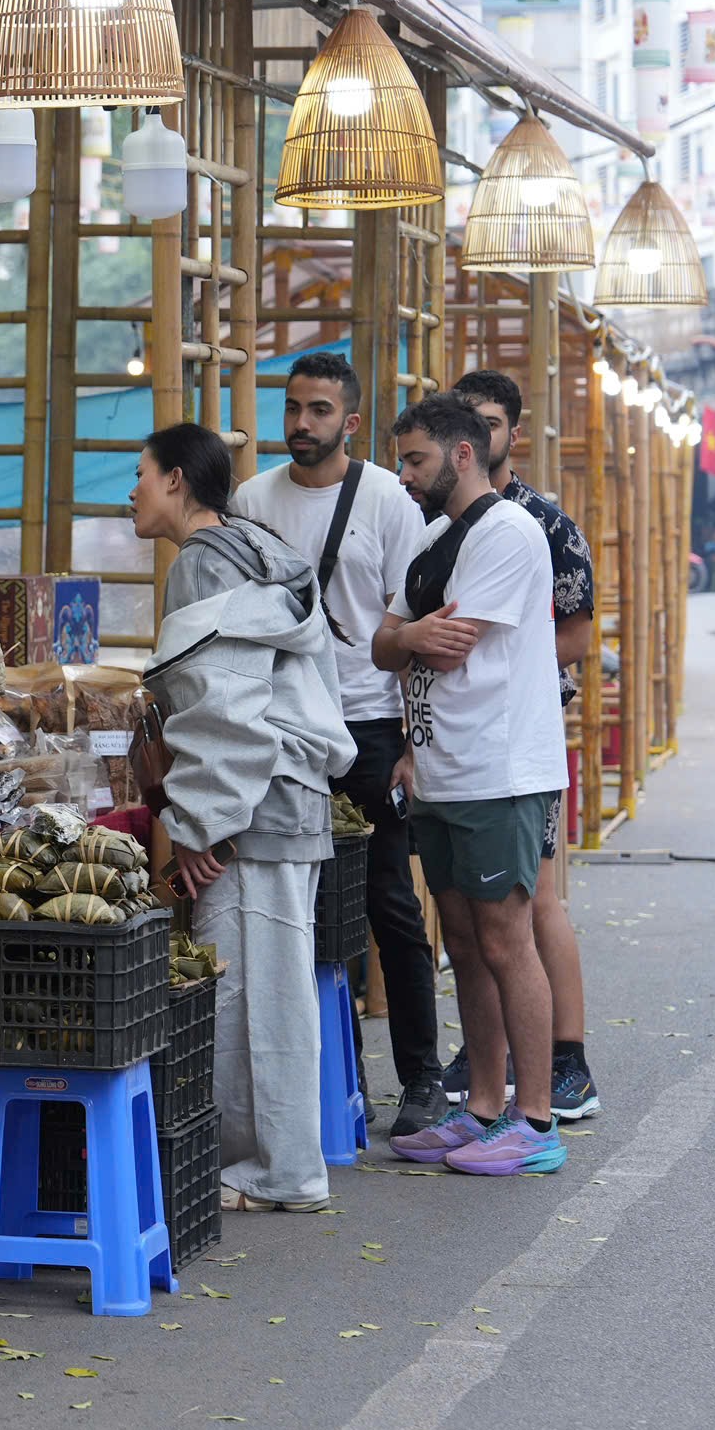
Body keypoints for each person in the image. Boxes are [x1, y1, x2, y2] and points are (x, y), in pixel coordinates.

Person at [133, 422, 356, 1211]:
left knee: (254, 994)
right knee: (275, 988)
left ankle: (281, 1171)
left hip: (253, 804)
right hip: (288, 791)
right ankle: (276, 1163)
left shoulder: (201, 565)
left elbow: (222, 702)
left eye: (141, 474)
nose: (132, 491)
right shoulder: (258, 546)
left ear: (176, 481)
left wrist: (203, 824)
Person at [231, 351, 443, 1137]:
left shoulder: (388, 500)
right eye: (293, 407)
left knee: (389, 900)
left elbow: (414, 628)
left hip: (368, 722)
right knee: (302, 905)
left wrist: (414, 743)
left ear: (350, 421)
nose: (301, 423)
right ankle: (332, 1080)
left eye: (319, 410)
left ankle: (421, 1077)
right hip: (282, 725)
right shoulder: (252, 500)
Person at [374, 393, 567, 1178]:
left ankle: (537, 1119)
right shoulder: (433, 540)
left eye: (416, 460)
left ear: (462, 454)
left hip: (499, 768)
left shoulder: (509, 532)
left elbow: (447, 647)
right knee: (460, 941)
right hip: (440, 766)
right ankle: (483, 1106)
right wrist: (412, 636)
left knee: (505, 940)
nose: (405, 475)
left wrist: (411, 636)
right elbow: (385, 645)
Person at [449, 370, 602, 1123]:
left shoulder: (545, 524)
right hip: (456, 747)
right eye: (465, 422)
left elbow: (577, 635)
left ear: (515, 429)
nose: (477, 435)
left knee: (535, 899)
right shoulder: (442, 520)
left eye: (490, 422)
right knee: (470, 914)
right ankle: (490, 1061)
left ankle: (567, 1062)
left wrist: (497, 662)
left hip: (520, 745)